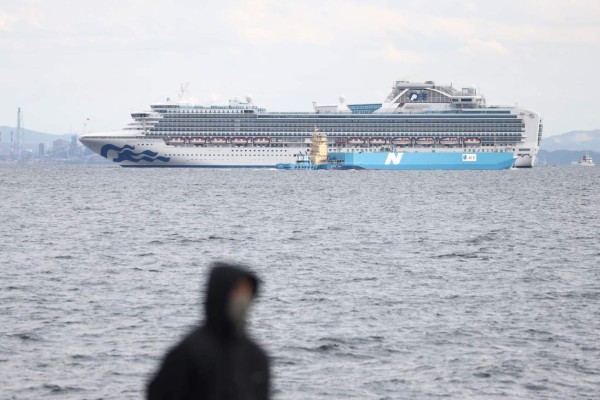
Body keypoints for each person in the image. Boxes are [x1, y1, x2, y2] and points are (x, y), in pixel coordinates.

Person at [147, 262, 270, 400]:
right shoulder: (189, 353)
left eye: (247, 292)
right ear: (220, 294)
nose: (243, 299)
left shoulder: (257, 358)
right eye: (237, 291)